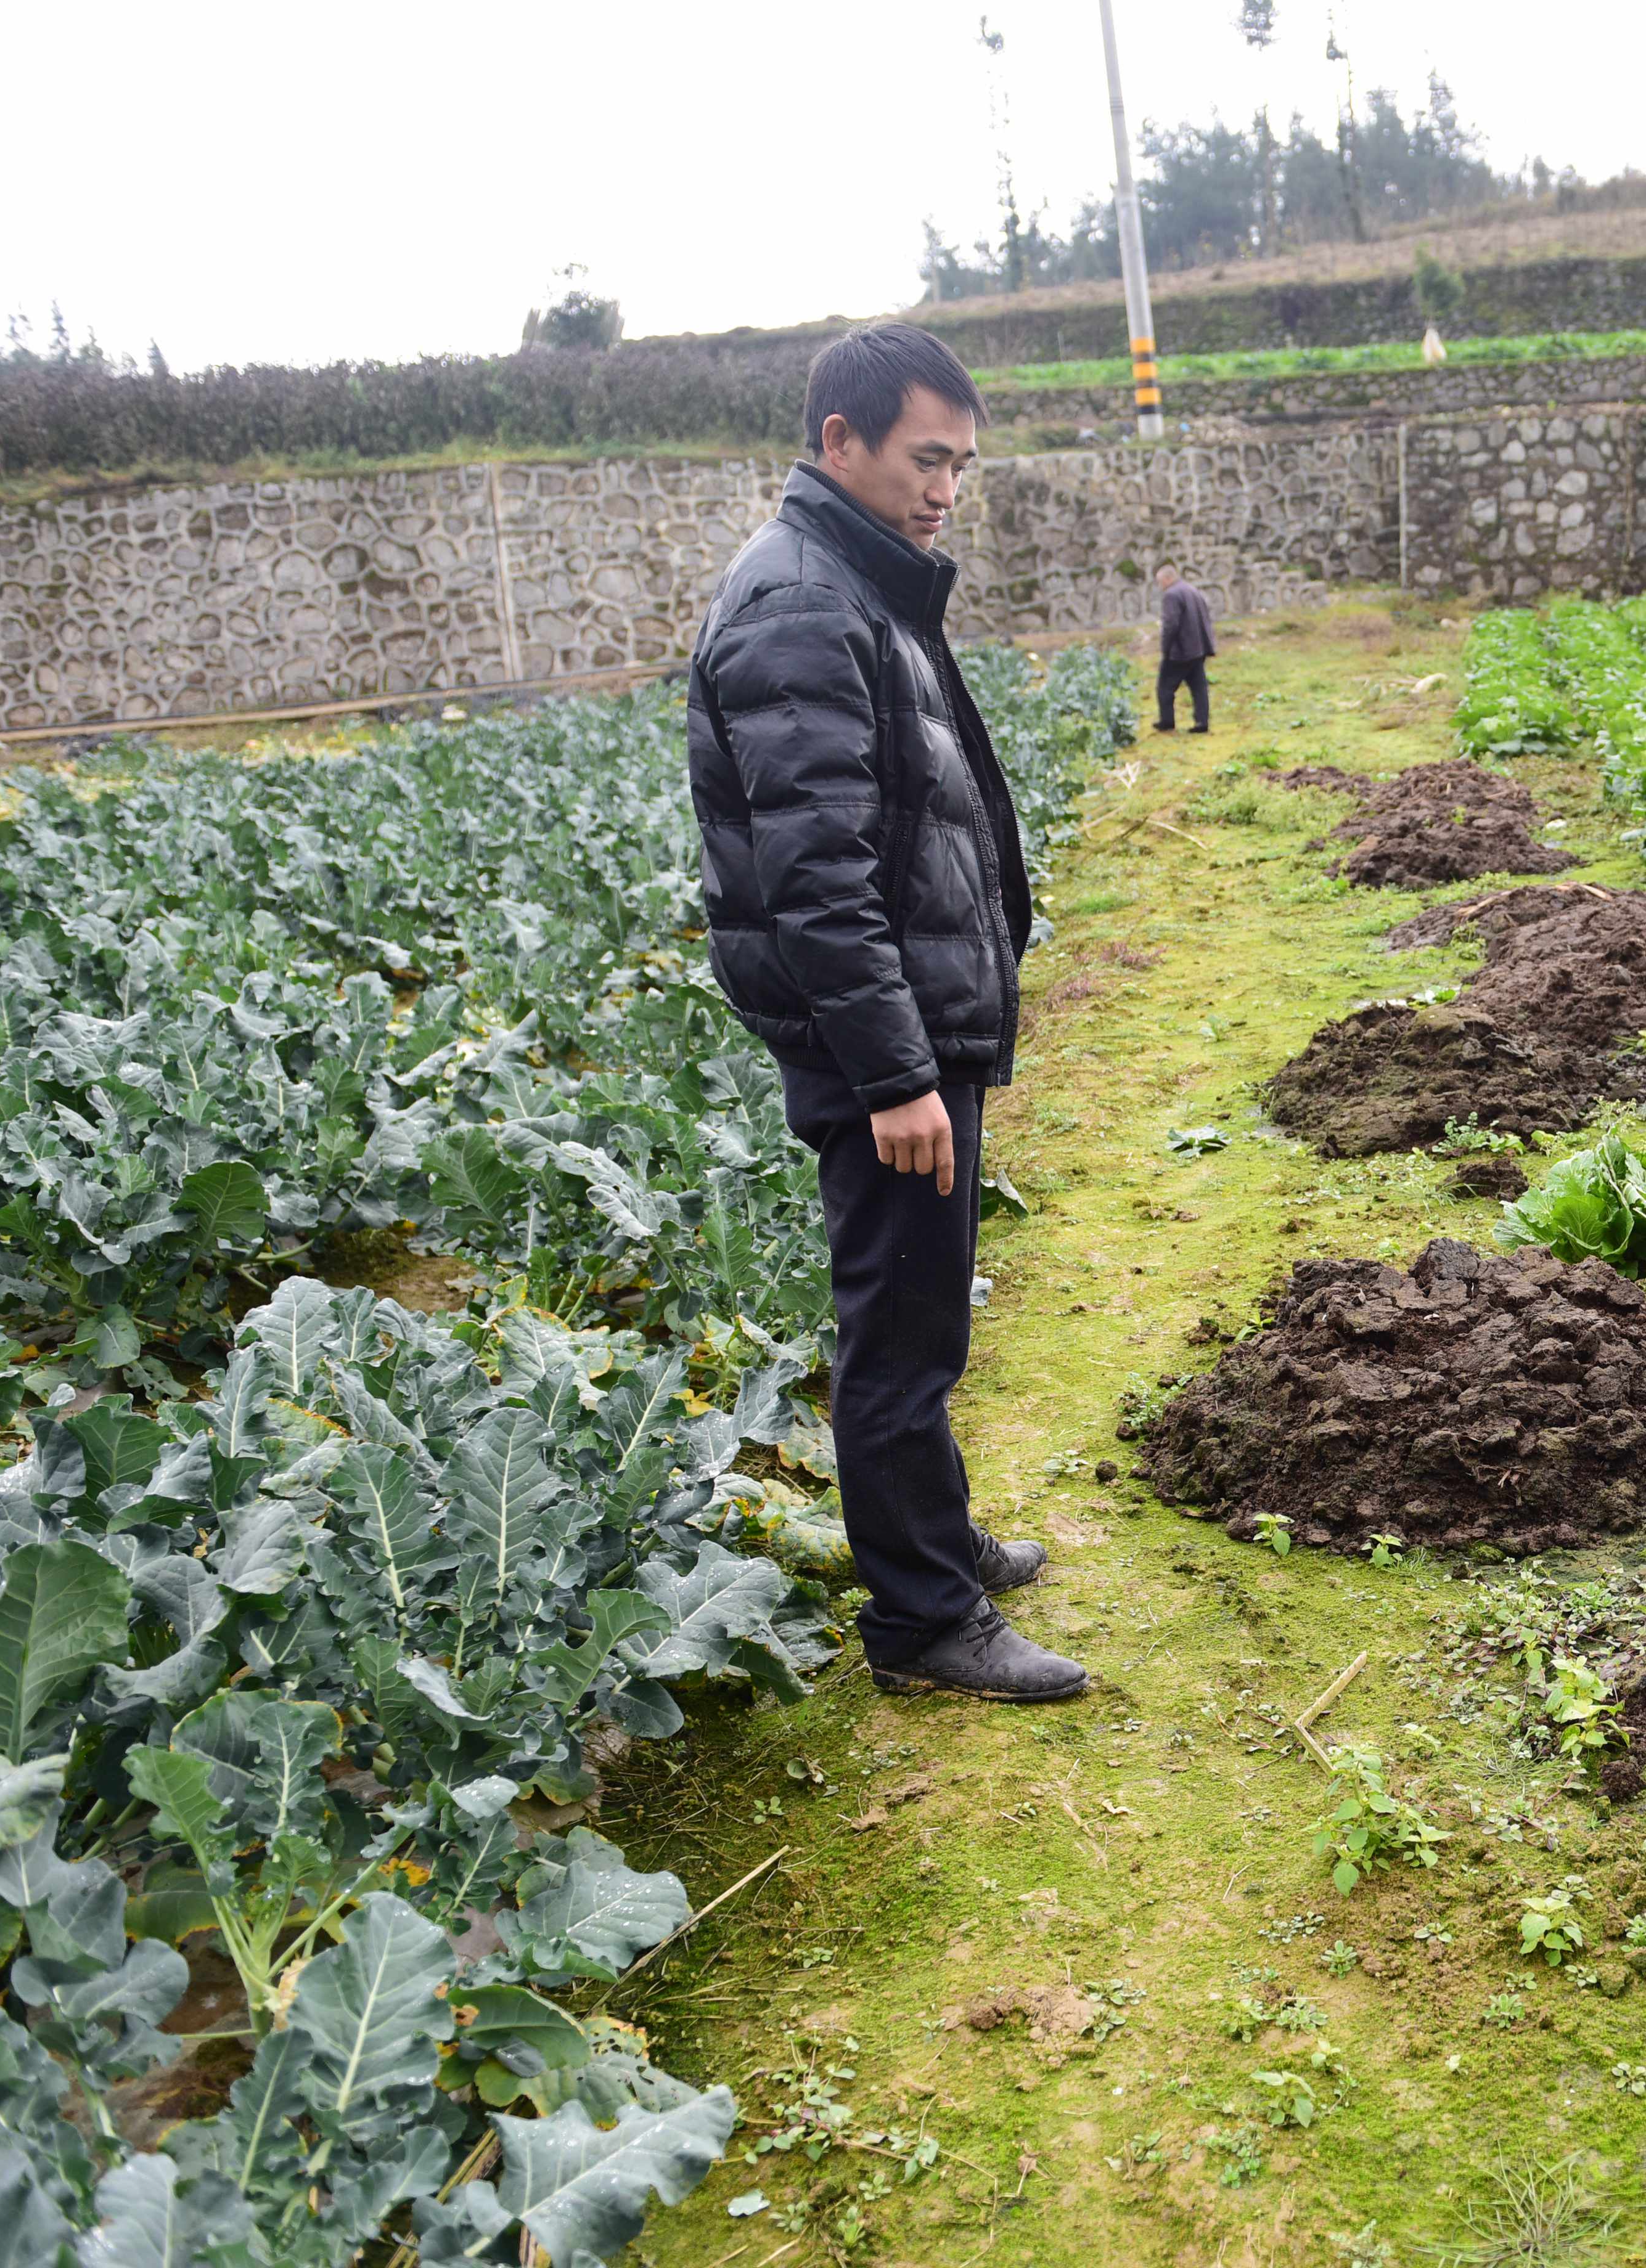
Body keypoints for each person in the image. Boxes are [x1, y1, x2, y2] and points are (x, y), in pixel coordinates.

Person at [682, 322, 1086, 1703]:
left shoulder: (856, 585)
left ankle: (939, 1538)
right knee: (899, 1326)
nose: (946, 490)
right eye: (927, 459)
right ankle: (922, 1620)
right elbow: (819, 881)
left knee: (923, 1314)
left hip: (911, 1026)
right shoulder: (801, 604)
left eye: (963, 466)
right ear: (838, 442)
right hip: (886, 1046)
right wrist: (897, 1072)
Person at [1153, 563, 1215, 733]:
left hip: (1181, 651)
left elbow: (1170, 624)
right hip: (1199, 648)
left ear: (1167, 578)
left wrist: (1166, 649)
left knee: (1164, 687)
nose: (1160, 586)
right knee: (1199, 687)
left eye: (1160, 582)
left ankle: (1167, 722)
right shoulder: (1191, 590)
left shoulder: (1171, 595)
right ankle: (1202, 723)